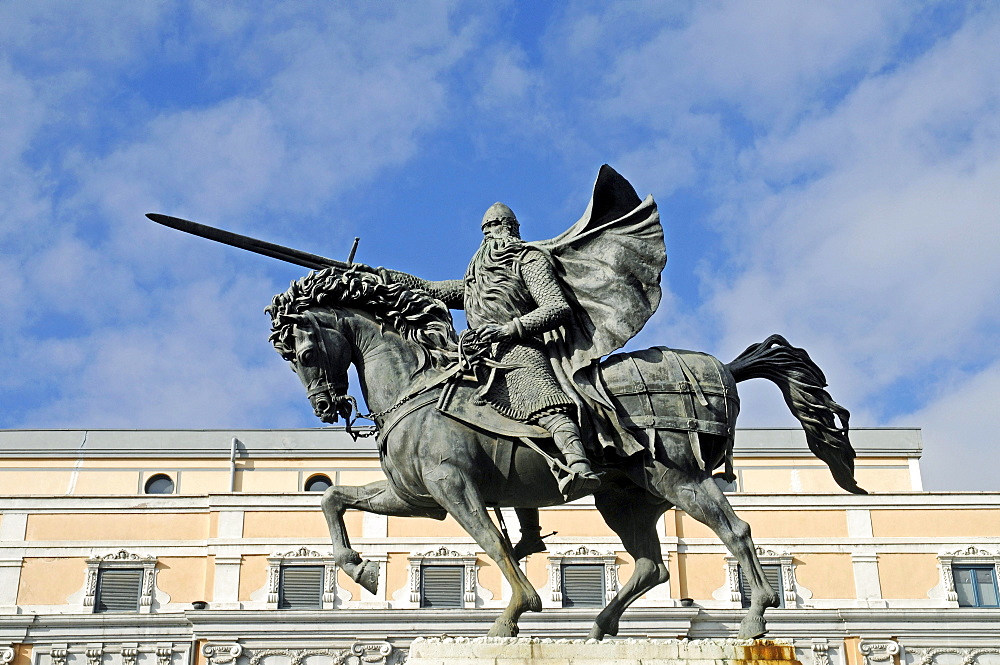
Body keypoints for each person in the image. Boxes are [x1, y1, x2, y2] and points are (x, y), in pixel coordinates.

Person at [379, 203, 601, 498]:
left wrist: (510, 329)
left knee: (542, 402)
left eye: (498, 225)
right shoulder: (476, 279)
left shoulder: (528, 259)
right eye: (488, 229)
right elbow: (430, 288)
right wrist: (380, 276)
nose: (494, 233)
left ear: (512, 228)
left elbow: (557, 307)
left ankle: (578, 464)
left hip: (519, 347)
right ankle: (529, 527)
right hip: (476, 356)